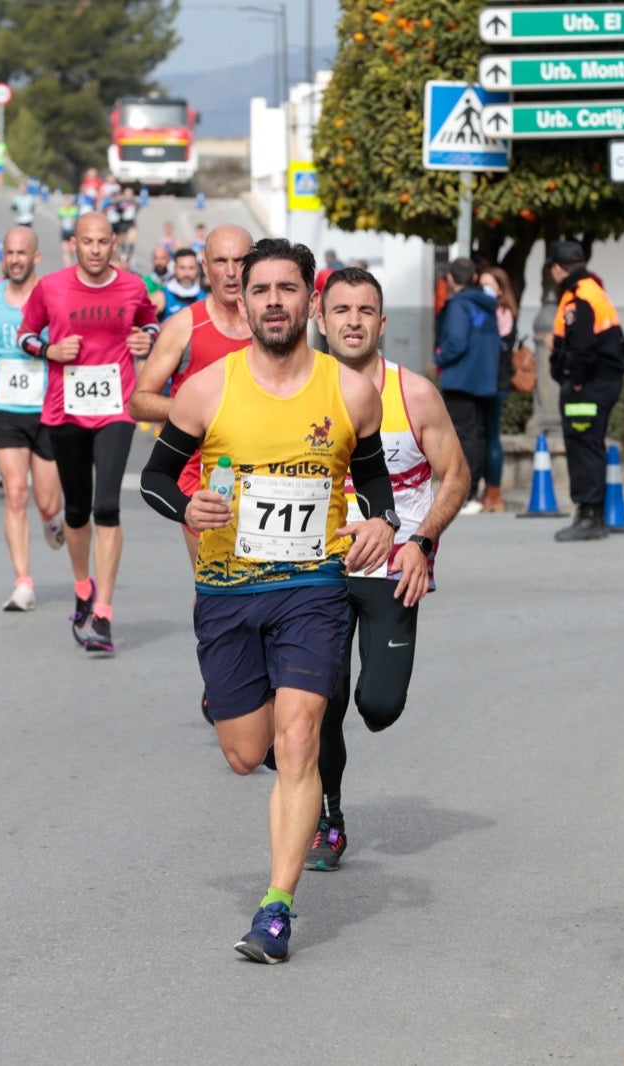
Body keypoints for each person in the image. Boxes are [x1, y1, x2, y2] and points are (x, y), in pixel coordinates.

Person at [138, 238, 397, 963]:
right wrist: (185, 509)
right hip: (226, 591)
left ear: (310, 300)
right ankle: (278, 785)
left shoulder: (348, 390)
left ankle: (276, 909)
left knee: (299, 737)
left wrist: (380, 522)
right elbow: (156, 479)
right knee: (245, 752)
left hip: (313, 589)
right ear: (242, 301)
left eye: (288, 289)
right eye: (261, 290)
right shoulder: (206, 389)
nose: (275, 301)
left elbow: (375, 484)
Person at [304, 266, 469, 872]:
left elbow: (457, 474)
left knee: (377, 705)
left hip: (393, 569)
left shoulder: (414, 393)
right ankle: (328, 817)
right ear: (321, 319)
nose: (352, 322)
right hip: (315, 568)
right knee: (320, 701)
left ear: (381, 322)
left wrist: (423, 542)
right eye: (341, 310)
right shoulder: (297, 389)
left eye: (365, 311)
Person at [16, 213, 158, 651]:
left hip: (117, 408)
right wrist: (50, 350)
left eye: (102, 242)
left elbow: (151, 322)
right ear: (73, 244)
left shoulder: (133, 286)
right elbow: (25, 335)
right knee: (76, 510)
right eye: (87, 242)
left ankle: (103, 614)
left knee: (108, 506)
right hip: (66, 412)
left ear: (114, 243)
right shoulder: (51, 287)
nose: (95, 249)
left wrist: (145, 339)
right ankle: (83, 588)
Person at [130, 224, 253, 565]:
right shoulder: (185, 324)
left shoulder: (271, 326)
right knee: (215, 586)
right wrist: (199, 413)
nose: (230, 272)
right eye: (220, 261)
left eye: (241, 261)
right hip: (202, 477)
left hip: (266, 472)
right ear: (204, 264)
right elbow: (140, 401)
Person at [0, 226, 65, 611]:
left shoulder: (51, 295)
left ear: (35, 258)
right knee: (16, 494)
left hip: (47, 408)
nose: (15, 259)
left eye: (22, 253)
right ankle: (23, 583)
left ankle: (53, 520)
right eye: (9, 252)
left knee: (47, 501)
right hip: (5, 408)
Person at [547, 239, 624, 542]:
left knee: (583, 446)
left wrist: (575, 380)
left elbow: (582, 348)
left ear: (557, 268)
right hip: (600, 381)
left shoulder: (578, 297)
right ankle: (592, 513)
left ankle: (589, 515)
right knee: (589, 445)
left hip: (588, 385)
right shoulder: (592, 290)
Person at [435, 258, 501, 519]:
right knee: (480, 436)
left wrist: (439, 358)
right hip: (485, 378)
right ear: (474, 278)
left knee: (464, 437)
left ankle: (467, 493)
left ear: (451, 279)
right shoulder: (488, 305)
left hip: (461, 379)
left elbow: (456, 342)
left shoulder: (459, 305)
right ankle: (477, 491)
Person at [478, 265, 523, 513]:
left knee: (491, 436)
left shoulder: (502, 312)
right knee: (484, 435)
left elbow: (497, 342)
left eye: (489, 284)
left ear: (500, 288)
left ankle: (493, 491)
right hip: (488, 380)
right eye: (481, 284)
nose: (484, 289)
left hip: (495, 382)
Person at [151, 247, 204, 319]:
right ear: (174, 269)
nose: (186, 273)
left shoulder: (205, 299)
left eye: (191, 268)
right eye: (182, 268)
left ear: (197, 269)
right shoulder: (161, 297)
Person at [57, 196, 80, 266]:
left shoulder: (75, 210)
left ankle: (73, 262)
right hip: (64, 232)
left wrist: (74, 221)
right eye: (66, 202)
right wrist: (59, 223)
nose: (67, 204)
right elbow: (58, 219)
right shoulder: (61, 210)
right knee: (65, 250)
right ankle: (67, 267)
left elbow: (79, 220)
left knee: (72, 250)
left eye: (68, 202)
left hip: (72, 232)